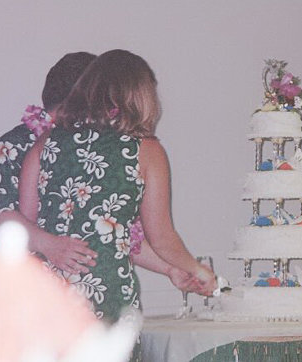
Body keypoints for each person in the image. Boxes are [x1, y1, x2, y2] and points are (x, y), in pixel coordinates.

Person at [17, 49, 216, 331]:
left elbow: (25, 228)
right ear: (140, 95)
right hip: (106, 294)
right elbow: (161, 236)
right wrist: (198, 270)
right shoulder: (146, 151)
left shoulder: (45, 144)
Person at [0, 52, 197, 291]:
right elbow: (0, 216)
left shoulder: (104, 148)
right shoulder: (16, 145)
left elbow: (113, 233)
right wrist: (50, 245)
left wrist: (170, 269)